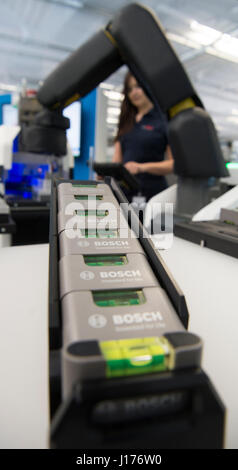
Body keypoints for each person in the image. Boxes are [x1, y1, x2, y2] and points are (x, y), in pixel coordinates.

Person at [113, 71, 174, 202]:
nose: (134, 92)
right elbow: (117, 161)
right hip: (125, 196)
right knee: (124, 223)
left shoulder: (164, 120)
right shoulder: (125, 121)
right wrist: (108, 173)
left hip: (156, 197)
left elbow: (173, 164)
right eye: (129, 89)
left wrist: (141, 167)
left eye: (138, 86)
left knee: (161, 223)